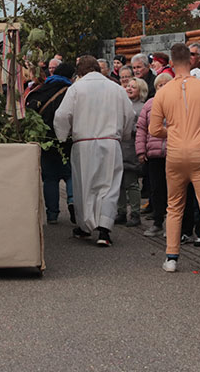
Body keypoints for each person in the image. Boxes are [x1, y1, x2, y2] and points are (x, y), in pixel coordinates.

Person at [149, 43, 200, 281]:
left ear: (172, 63)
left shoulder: (163, 91)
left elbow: (154, 129)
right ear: (191, 61)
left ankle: (171, 258)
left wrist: (173, 133)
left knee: (174, 205)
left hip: (175, 153)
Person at [53, 56, 137, 247]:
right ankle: (104, 229)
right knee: (109, 185)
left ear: (80, 71)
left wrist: (62, 136)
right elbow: (130, 114)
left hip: (84, 143)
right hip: (110, 141)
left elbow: (62, 115)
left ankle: (85, 226)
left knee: (85, 185)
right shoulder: (116, 88)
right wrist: (124, 135)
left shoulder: (76, 88)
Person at [27, 61, 75, 225]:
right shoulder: (71, 91)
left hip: (45, 140)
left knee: (50, 178)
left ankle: (52, 214)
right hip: (67, 139)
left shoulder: (41, 90)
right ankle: (72, 200)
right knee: (70, 173)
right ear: (71, 76)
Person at [136, 72, 172, 238]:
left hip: (173, 153)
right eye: (159, 85)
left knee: (173, 190)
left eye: (166, 85)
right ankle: (157, 222)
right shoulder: (150, 104)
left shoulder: (177, 103)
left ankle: (172, 225)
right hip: (154, 154)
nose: (163, 88)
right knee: (156, 190)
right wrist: (141, 151)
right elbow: (141, 129)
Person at [117, 76, 147, 227]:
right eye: (128, 86)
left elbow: (142, 129)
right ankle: (121, 211)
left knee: (131, 183)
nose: (129, 88)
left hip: (132, 149)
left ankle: (135, 213)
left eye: (133, 87)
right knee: (119, 184)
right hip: (120, 148)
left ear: (140, 90)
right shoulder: (122, 104)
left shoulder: (142, 108)